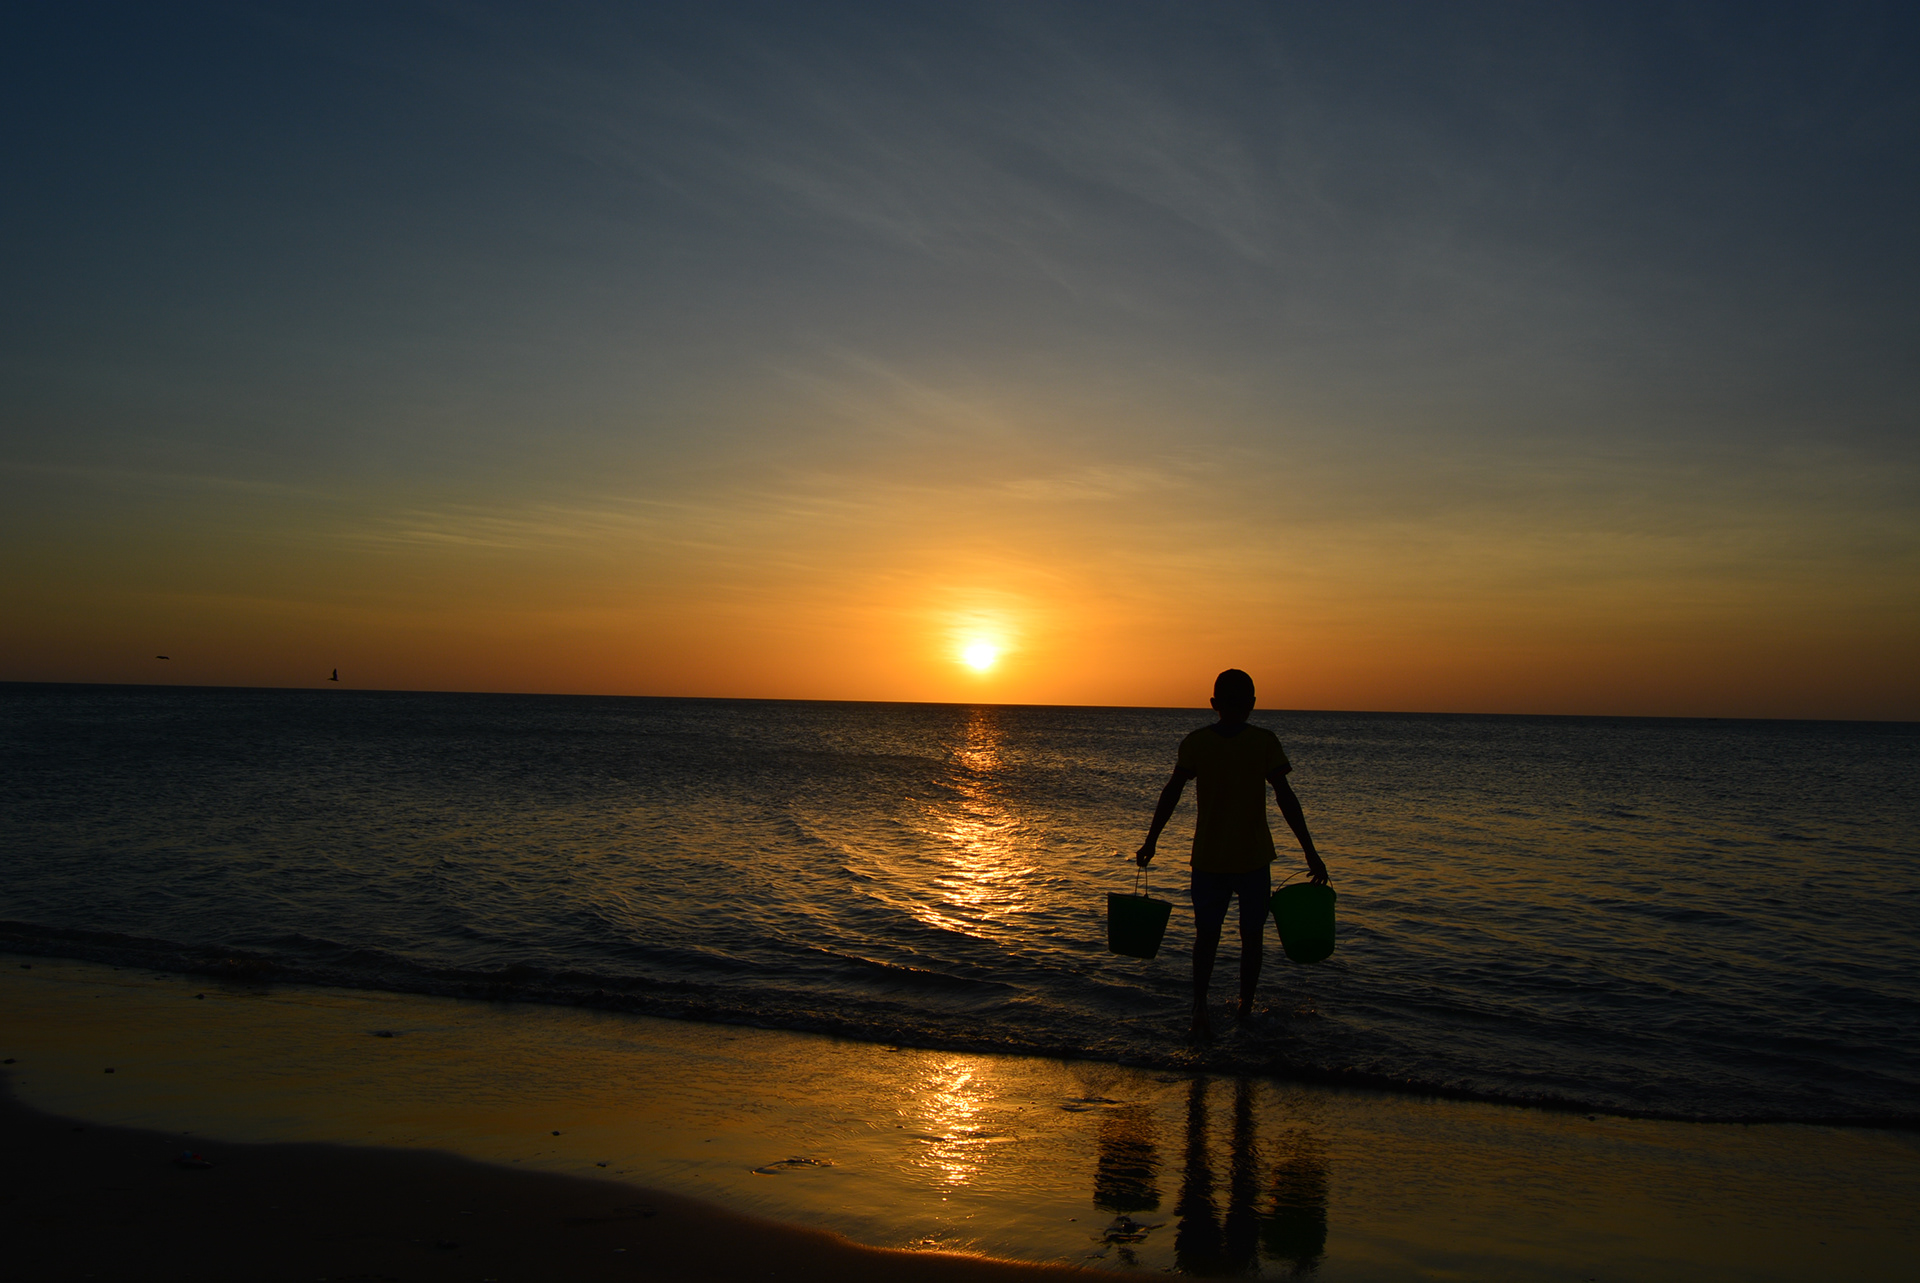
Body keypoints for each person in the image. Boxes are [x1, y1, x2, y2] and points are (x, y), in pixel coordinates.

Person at [1136, 668, 1327, 1042]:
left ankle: (1199, 1008)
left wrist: (1151, 841)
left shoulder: (1196, 743)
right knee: (1251, 938)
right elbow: (1286, 799)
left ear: (1213, 704)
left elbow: (1171, 792)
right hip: (1253, 859)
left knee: (1206, 937)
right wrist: (1310, 853)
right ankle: (1245, 1010)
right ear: (1252, 704)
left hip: (1208, 859)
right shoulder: (1264, 742)